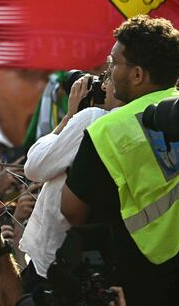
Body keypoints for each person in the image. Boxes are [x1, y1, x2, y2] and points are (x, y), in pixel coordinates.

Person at [61, 15, 179, 306]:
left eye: (114, 63)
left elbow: (71, 210)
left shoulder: (107, 129)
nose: (109, 71)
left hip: (144, 277)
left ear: (137, 75)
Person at [20, 74, 123, 291]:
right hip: (106, 255)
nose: (104, 84)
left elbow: (34, 167)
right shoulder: (147, 118)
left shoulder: (93, 118)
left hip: (56, 258)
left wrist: (69, 117)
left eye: (109, 76)